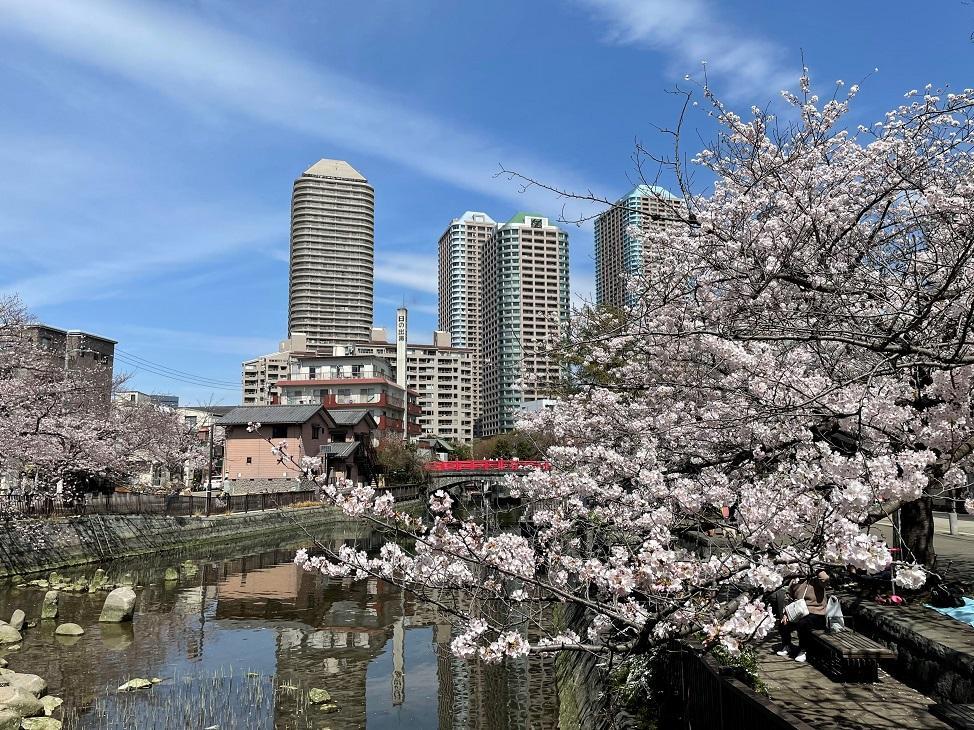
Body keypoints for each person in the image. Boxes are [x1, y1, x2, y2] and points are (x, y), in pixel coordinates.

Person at [777, 570, 830, 662]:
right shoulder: (795, 580)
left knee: (803, 624)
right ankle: (787, 645)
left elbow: (825, 578)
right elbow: (788, 597)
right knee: (783, 623)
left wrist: (816, 569)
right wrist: (785, 613)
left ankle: (803, 650)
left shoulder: (816, 581)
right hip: (799, 611)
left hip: (815, 612)